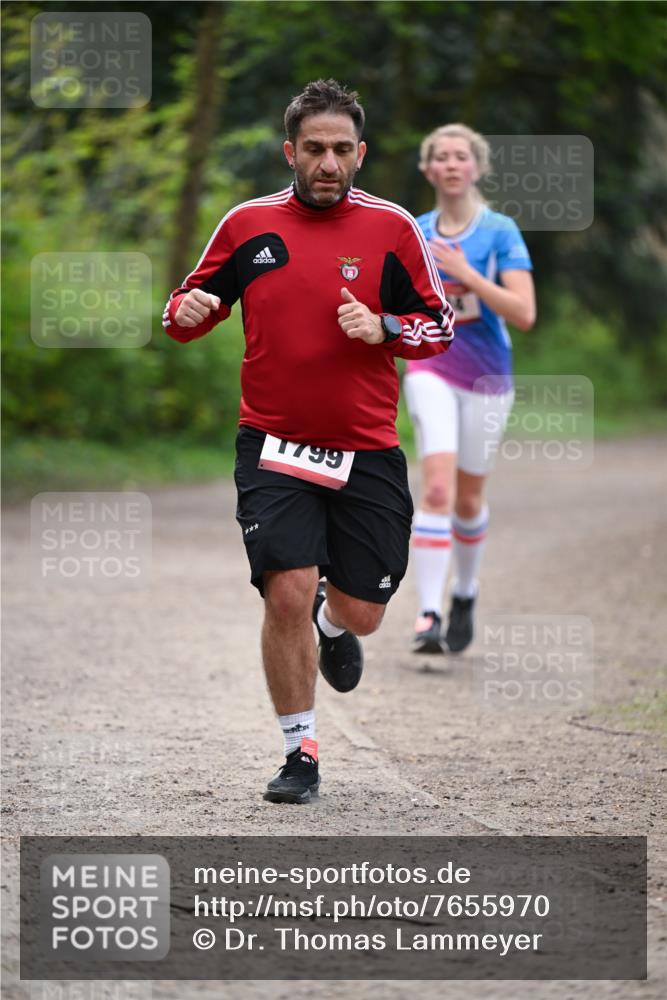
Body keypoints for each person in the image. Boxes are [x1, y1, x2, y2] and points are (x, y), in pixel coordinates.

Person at [163, 80, 455, 803]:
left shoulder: (391, 228)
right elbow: (187, 310)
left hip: (365, 447)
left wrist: (385, 327)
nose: (329, 163)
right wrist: (187, 311)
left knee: (363, 613)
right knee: (286, 590)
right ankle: (300, 753)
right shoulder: (247, 225)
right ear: (289, 152)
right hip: (273, 444)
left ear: (361, 154)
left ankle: (334, 620)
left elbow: (440, 326)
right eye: (315, 149)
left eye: (341, 150)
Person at [403, 124, 536, 655]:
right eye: (441, 156)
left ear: (476, 168)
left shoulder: (499, 231)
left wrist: (466, 275)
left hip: (487, 377)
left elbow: (524, 313)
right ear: (428, 169)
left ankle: (464, 591)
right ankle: (428, 615)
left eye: (461, 156)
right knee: (436, 489)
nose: (452, 164)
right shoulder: (414, 230)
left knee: (468, 497)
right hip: (431, 366)